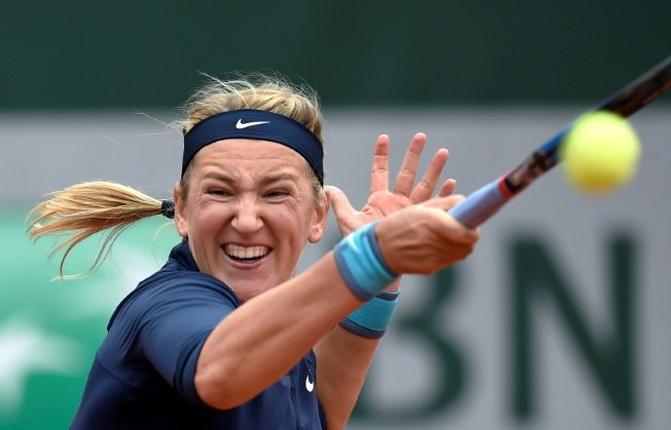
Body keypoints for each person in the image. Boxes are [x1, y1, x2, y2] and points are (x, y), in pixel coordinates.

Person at [27, 75, 479, 429]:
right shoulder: (166, 304)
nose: (246, 219)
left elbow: (320, 415)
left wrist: (381, 276)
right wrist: (370, 258)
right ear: (182, 210)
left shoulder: (280, 331)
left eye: (275, 193)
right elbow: (220, 374)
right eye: (221, 192)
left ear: (317, 216)